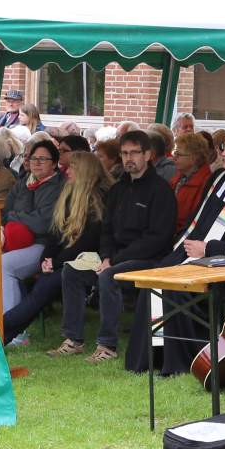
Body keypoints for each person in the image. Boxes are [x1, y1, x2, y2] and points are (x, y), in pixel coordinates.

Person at [130, 124, 225, 375]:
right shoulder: (219, 178)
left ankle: (181, 362)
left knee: (178, 291)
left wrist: (210, 248)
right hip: (196, 253)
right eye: (224, 146)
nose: (224, 153)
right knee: (153, 279)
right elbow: (198, 219)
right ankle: (152, 357)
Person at [55, 132, 176, 361]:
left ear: (148, 155)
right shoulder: (118, 190)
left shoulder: (161, 190)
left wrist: (115, 260)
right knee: (72, 271)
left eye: (134, 153)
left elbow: (157, 239)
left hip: (150, 260)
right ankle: (73, 339)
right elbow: (106, 230)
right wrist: (107, 256)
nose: (128, 158)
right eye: (124, 153)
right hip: (115, 258)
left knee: (109, 276)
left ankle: (107, 346)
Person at [0, 151, 109, 347]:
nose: (67, 171)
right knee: (41, 287)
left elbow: (86, 242)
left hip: (87, 260)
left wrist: (56, 261)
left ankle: (3, 328)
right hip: (63, 258)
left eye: (73, 167)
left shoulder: (96, 200)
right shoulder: (68, 195)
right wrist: (47, 258)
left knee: (44, 287)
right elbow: (55, 234)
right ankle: (4, 331)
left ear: (84, 171)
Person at [0, 138, 65, 314]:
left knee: (4, 264)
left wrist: (16, 216)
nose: (37, 163)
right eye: (34, 158)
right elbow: (5, 213)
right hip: (13, 239)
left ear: (54, 163)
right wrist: (20, 216)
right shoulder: (24, 182)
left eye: (43, 159)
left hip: (43, 245)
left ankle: (13, 329)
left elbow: (43, 224)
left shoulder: (59, 186)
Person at [170, 132, 214, 234]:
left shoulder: (206, 183)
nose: (174, 158)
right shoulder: (179, 177)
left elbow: (192, 220)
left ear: (194, 158)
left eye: (178, 154)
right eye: (174, 153)